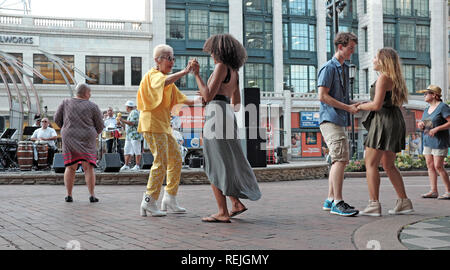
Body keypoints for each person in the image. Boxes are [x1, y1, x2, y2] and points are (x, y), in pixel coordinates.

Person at [193, 34, 261, 223]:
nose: (211, 55)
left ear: (219, 51)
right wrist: (218, 98)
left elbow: (207, 96)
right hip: (228, 116)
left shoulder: (221, 67)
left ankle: (222, 212)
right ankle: (236, 203)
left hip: (216, 115)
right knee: (224, 162)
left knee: (213, 163)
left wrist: (197, 75)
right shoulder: (235, 72)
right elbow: (237, 103)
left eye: (212, 51)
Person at [137, 44, 201, 217]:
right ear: (157, 60)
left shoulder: (168, 81)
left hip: (163, 126)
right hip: (152, 124)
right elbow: (164, 81)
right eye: (168, 57)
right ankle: (149, 201)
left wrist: (205, 96)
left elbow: (183, 99)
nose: (172, 61)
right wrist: (185, 72)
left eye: (173, 58)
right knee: (161, 161)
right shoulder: (153, 75)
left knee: (176, 158)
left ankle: (169, 198)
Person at [357, 47, 414, 216]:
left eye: (375, 57)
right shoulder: (395, 78)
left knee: (371, 164)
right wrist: (363, 102)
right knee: (388, 165)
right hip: (395, 120)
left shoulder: (383, 78)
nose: (373, 60)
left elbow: (376, 106)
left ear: (383, 61)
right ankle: (404, 202)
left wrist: (359, 107)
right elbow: (380, 101)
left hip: (383, 122)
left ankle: (374, 204)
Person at [318, 32, 359, 217]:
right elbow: (323, 96)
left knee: (338, 159)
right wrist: (347, 107)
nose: (352, 52)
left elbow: (341, 98)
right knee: (340, 159)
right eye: (350, 48)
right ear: (340, 47)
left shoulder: (344, 68)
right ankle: (337, 202)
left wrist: (354, 104)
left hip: (337, 118)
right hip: (330, 119)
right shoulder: (329, 68)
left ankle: (330, 199)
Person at [54, 83, 104, 203]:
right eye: (90, 93)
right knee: (88, 167)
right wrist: (93, 132)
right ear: (86, 93)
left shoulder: (65, 102)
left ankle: (69, 195)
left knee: (70, 166)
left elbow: (56, 119)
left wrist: (67, 128)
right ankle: (92, 195)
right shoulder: (93, 106)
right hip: (87, 137)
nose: (90, 95)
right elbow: (100, 125)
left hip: (69, 137)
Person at [417, 85, 450, 200]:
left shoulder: (443, 107)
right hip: (428, 140)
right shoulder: (426, 109)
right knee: (430, 166)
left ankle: (449, 191)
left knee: (438, 166)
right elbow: (427, 124)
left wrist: (437, 129)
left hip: (439, 141)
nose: (424, 95)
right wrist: (421, 125)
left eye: (426, 93)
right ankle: (433, 191)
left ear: (435, 95)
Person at [118, 100, 143, 171]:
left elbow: (132, 123)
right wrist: (122, 124)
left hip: (135, 135)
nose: (125, 108)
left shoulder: (134, 112)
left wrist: (122, 120)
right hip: (129, 135)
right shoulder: (131, 113)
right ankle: (126, 165)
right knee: (127, 149)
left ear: (128, 107)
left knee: (136, 150)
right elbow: (128, 125)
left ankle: (137, 165)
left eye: (126, 106)